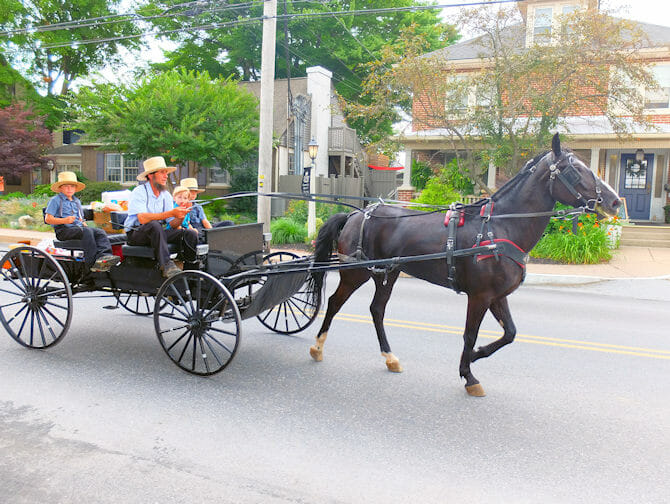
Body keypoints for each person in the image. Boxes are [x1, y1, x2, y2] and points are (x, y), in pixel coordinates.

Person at [123, 157, 198, 278]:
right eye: (162, 172)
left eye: (166, 173)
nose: (166, 176)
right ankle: (166, 265)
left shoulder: (166, 195)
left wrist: (180, 215)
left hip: (157, 233)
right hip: (136, 234)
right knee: (154, 225)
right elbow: (142, 218)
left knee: (190, 233)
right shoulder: (139, 192)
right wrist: (171, 213)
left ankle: (191, 269)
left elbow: (172, 224)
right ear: (151, 176)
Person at [45, 171, 120, 273]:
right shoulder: (55, 200)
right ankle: (91, 264)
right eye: (66, 186)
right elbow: (48, 219)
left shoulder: (76, 201)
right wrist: (64, 220)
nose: (69, 189)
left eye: (72, 186)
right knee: (87, 232)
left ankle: (104, 257)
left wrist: (85, 224)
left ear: (75, 188)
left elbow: (81, 218)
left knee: (99, 231)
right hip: (63, 230)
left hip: (78, 229)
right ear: (60, 188)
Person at [179, 177, 233, 243]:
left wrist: (211, 232)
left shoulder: (197, 206)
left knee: (229, 223)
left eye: (195, 192)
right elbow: (186, 224)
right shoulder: (180, 207)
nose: (193, 194)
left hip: (203, 228)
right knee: (194, 233)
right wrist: (193, 230)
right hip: (192, 230)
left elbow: (205, 221)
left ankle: (219, 240)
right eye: (191, 191)